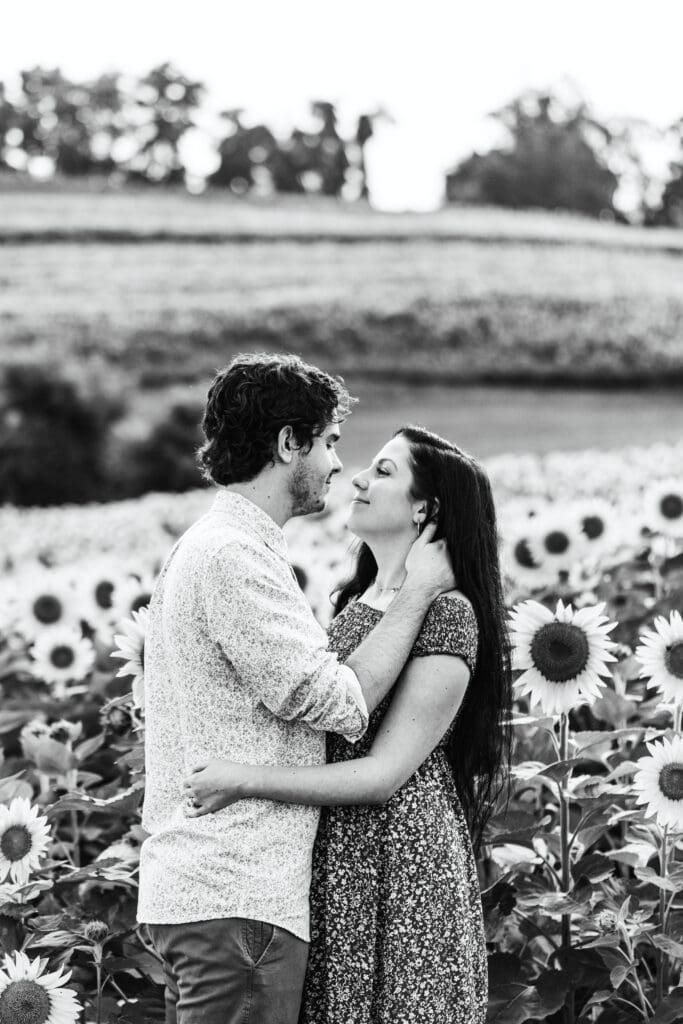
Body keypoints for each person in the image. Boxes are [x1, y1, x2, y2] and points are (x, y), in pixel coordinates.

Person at [137, 355, 456, 1024]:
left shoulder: (215, 545)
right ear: (289, 443)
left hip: (212, 897)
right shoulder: (232, 556)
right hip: (236, 893)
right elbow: (340, 702)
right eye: (329, 442)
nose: (339, 466)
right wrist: (419, 590)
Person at [184, 425, 513, 1024]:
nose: (357, 477)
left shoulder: (447, 613)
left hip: (400, 860)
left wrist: (245, 779)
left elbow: (383, 776)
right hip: (340, 856)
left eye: (384, 471)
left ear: (425, 509)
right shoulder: (359, 602)